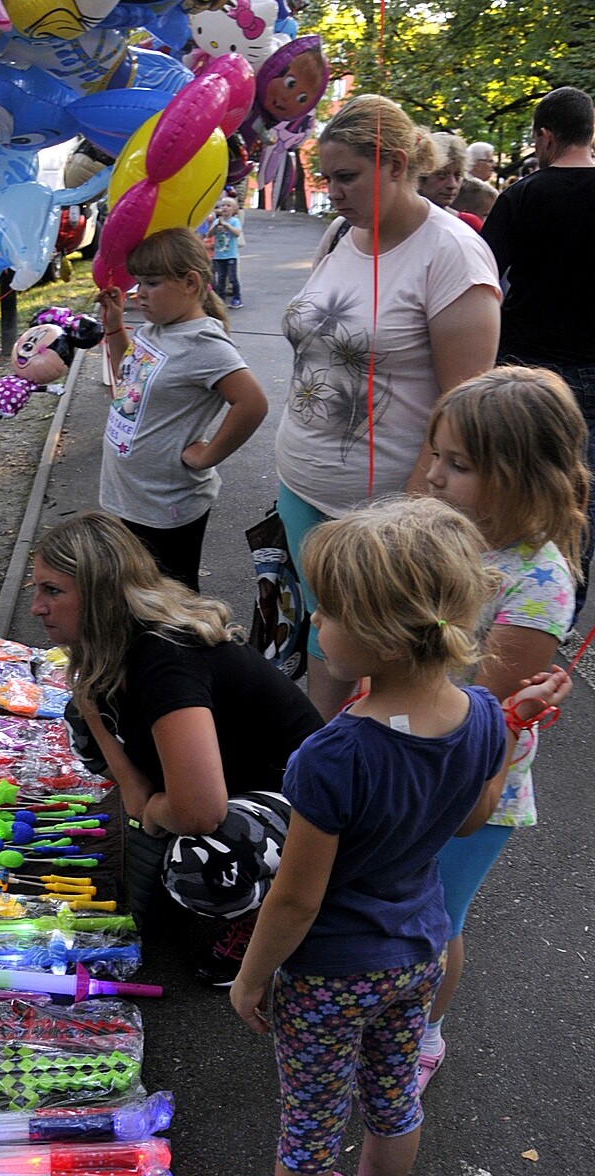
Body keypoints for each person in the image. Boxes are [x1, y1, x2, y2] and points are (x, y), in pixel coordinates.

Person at [229, 495, 572, 1176]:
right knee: (391, 1103)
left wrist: (250, 976)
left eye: (326, 610)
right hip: (417, 953)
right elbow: (474, 820)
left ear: (382, 636)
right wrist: (513, 729)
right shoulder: (482, 714)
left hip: (330, 973)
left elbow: (296, 898)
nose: (315, 619)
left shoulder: (332, 756)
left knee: (310, 1124)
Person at [274, 94, 501, 720]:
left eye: (347, 176)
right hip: (302, 487)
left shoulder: (450, 255)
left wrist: (408, 514)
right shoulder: (341, 234)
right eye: (328, 176)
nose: (332, 190)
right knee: (326, 633)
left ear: (398, 165)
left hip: (383, 513)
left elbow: (462, 410)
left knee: (387, 657)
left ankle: (350, 781)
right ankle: (318, 759)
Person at [30, 511, 323, 984]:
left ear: (103, 596)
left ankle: (279, 910)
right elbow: (90, 706)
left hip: (312, 808)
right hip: (241, 781)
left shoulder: (165, 660)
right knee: (83, 724)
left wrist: (155, 810)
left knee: (199, 864)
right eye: (37, 589)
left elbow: (199, 812)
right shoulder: (117, 641)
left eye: (53, 591)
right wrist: (137, 792)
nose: (37, 608)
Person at [418, 365, 589, 1093]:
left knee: (434, 918)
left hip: (469, 782)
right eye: (437, 456)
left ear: (521, 478)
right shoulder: (454, 530)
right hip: (408, 745)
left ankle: (421, 1035)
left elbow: (482, 710)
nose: (431, 476)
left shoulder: (540, 583)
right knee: (398, 894)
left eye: (457, 466)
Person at [96, 226, 268, 591]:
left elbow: (252, 403)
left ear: (190, 283)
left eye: (152, 283)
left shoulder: (203, 343)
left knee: (172, 600)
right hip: (129, 492)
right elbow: (130, 379)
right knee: (135, 592)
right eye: (138, 282)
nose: (139, 294)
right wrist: (114, 329)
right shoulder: (157, 329)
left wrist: (207, 455)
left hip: (165, 504)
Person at [481, 86, 595, 612]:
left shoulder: (522, 196)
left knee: (517, 480)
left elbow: (484, 278)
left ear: (545, 137)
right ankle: (562, 605)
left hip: (528, 366)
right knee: (581, 492)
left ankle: (508, 598)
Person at [417, 131, 467, 214]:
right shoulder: (394, 219)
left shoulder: (469, 223)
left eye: (457, 175)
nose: (452, 185)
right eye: (442, 175)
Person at [208, 195, 243, 308]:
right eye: (223, 205)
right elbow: (209, 234)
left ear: (234, 209)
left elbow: (237, 233)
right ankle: (221, 298)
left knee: (232, 277)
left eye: (228, 205)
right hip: (218, 255)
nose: (225, 208)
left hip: (231, 254)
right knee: (220, 278)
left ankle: (237, 298)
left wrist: (226, 225)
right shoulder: (217, 221)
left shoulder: (235, 221)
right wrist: (215, 227)